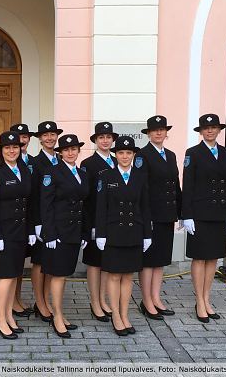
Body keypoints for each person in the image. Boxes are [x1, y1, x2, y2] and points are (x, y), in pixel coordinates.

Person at [95, 135, 152, 336]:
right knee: (114, 276)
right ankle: (116, 316)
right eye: (121, 152)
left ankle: (125, 315)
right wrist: (100, 234)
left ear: (134, 154)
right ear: (115, 154)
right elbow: (101, 208)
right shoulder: (106, 176)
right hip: (113, 233)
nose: (125, 156)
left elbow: (145, 207)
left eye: (129, 152)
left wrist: (147, 234)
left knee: (128, 276)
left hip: (134, 232)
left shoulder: (141, 176)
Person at [182, 114, 226, 323]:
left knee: (213, 257)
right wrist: (187, 215)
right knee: (199, 257)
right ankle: (199, 301)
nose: (210, 131)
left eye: (214, 127)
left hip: (219, 213)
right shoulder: (193, 153)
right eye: (206, 128)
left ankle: (206, 299)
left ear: (219, 130)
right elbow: (188, 185)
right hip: (200, 213)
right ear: (201, 131)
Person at [0, 131, 33, 339]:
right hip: (3, 234)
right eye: (7, 148)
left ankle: (9, 316)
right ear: (1, 150)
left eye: (15, 147)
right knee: (5, 277)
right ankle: (0, 319)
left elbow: (29, 203)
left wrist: (30, 230)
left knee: (14, 275)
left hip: (20, 232)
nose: (12, 151)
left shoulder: (24, 170)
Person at [41, 134, 89, 338]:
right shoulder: (52, 172)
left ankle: (60, 313)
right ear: (60, 153)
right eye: (66, 150)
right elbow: (46, 205)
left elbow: (84, 205)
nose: (70, 153)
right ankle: (57, 316)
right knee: (58, 275)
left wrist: (85, 232)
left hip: (75, 232)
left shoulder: (82, 173)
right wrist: (50, 234)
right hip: (58, 233)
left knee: (65, 273)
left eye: (74, 149)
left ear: (78, 151)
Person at [137, 116, 182, 320]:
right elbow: (142, 189)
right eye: (154, 130)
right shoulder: (142, 155)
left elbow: (175, 185)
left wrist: (181, 212)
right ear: (148, 133)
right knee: (149, 261)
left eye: (162, 129)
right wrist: (145, 217)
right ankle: (146, 301)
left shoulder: (170, 155)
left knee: (161, 259)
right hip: (151, 216)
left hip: (167, 214)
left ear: (166, 132)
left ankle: (156, 298)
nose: (158, 133)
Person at [81, 122, 118, 322]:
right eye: (101, 137)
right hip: (95, 221)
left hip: (113, 221)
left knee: (107, 263)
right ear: (95, 140)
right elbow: (86, 198)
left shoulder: (117, 160)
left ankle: (103, 300)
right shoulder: (88, 164)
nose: (105, 140)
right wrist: (91, 225)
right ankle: (95, 302)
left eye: (108, 137)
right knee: (94, 263)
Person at [30, 120, 62, 322]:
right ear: (40, 139)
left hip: (58, 220)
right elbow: (33, 195)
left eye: (52, 134)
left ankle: (46, 299)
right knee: (39, 261)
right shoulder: (35, 162)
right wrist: (37, 223)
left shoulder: (61, 159)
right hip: (42, 220)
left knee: (52, 261)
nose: (50, 138)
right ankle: (39, 302)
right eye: (45, 135)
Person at [8, 123, 37, 318]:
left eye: (25, 137)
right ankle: (11, 301)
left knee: (19, 263)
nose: (22, 140)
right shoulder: (5, 165)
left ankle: (17, 298)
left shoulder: (32, 162)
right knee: (11, 266)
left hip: (26, 220)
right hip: (11, 223)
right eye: (18, 137)